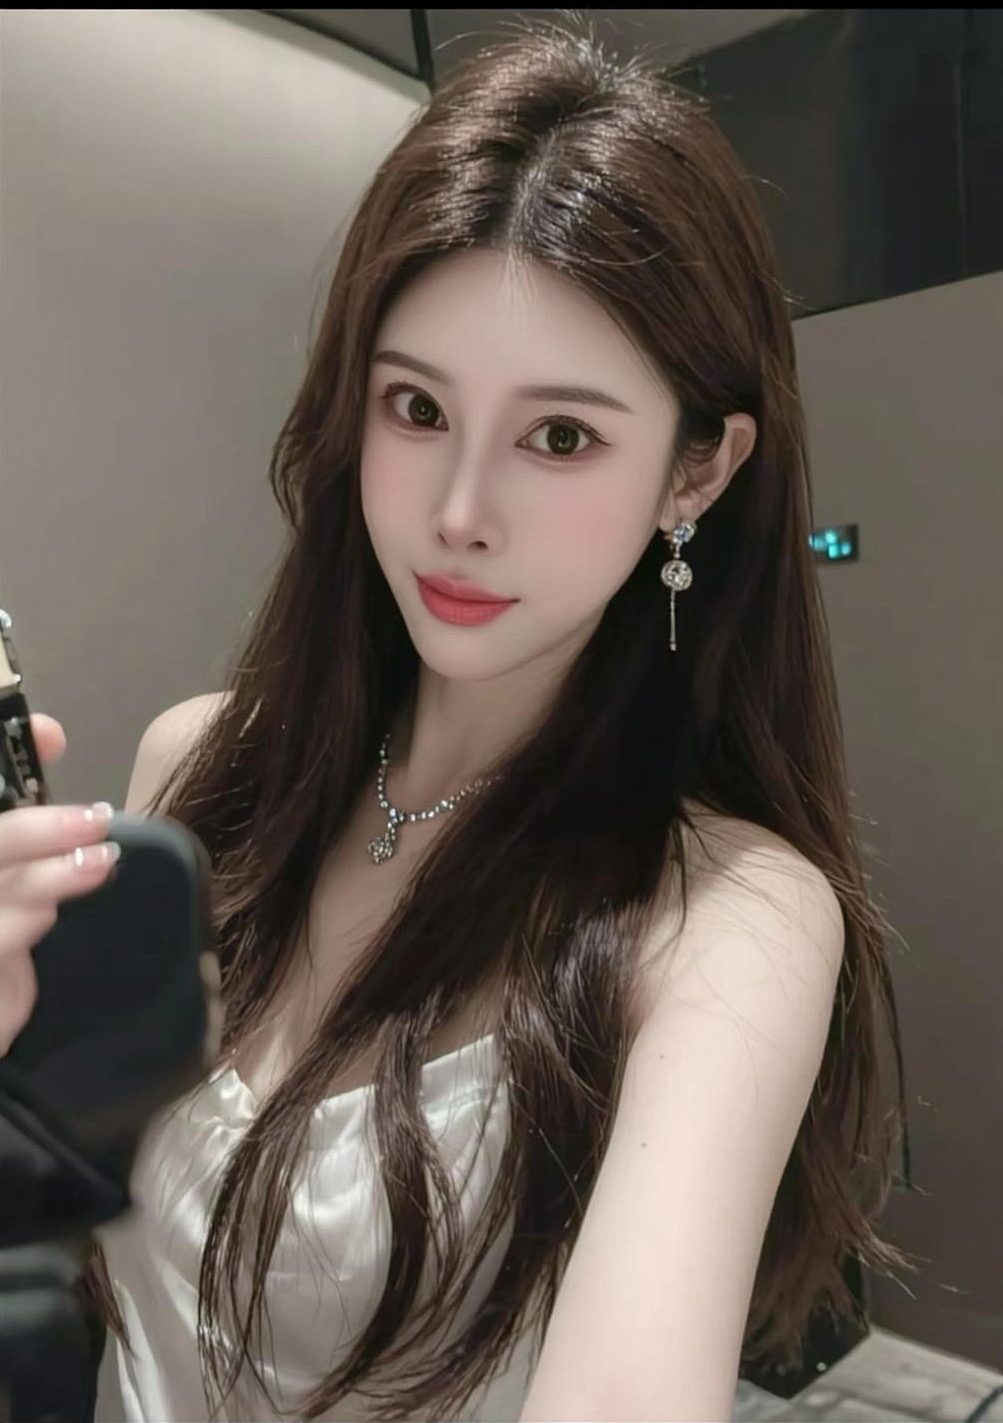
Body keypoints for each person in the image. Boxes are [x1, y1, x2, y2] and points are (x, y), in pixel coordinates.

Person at [0, 15, 915, 1422]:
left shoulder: (727, 920)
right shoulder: (203, 763)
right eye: (417, 408)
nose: (460, 514)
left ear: (696, 471)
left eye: (561, 436)